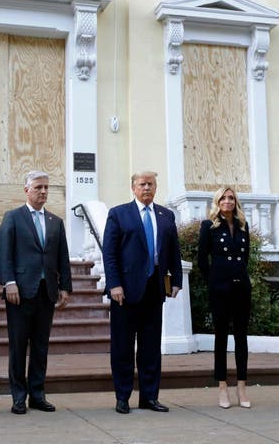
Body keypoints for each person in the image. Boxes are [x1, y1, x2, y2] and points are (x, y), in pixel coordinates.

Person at [102, 171, 182, 414]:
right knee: (123, 347)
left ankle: (149, 397)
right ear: (133, 188)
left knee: (150, 347)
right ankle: (122, 397)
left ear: (156, 187)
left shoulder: (166, 215)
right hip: (124, 291)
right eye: (142, 184)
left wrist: (176, 280)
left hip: (154, 288)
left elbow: (174, 251)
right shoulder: (119, 214)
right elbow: (109, 253)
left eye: (151, 184)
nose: (147, 188)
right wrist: (114, 284)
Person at [0, 170, 72, 414]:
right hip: (19, 291)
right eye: (38, 187)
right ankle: (19, 396)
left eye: (46, 187)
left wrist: (65, 287)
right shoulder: (13, 217)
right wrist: (9, 282)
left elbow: (63, 258)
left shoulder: (55, 221)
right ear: (26, 190)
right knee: (19, 346)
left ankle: (37, 395)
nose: (43, 191)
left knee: (40, 346)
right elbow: (5, 252)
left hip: (46, 292)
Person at [198, 187, 252, 409]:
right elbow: (202, 259)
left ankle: (241, 387)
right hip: (219, 289)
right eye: (223, 198)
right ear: (217, 202)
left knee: (241, 337)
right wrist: (215, 280)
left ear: (236, 202)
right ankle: (222, 387)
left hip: (241, 288)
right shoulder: (208, 226)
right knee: (221, 338)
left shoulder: (242, 225)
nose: (227, 201)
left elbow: (245, 257)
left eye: (231, 198)